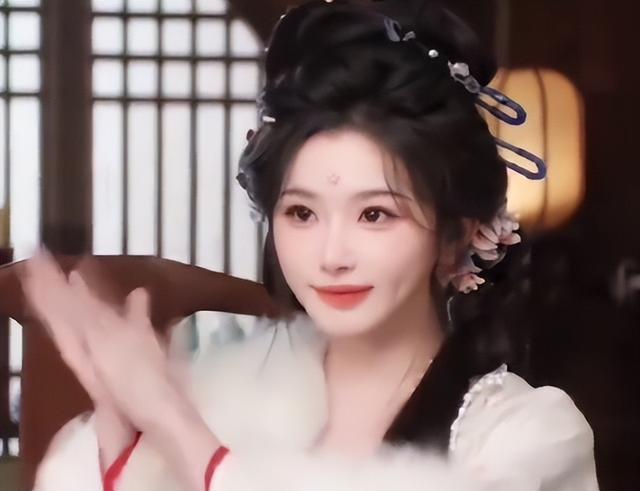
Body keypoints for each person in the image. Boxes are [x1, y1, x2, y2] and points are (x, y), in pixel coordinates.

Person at [23, 1, 599, 490]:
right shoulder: (221, 392)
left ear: (456, 236)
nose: (331, 255)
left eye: (375, 214)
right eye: (301, 213)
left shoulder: (526, 435)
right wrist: (123, 431)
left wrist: (177, 430)